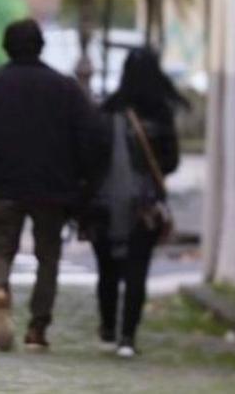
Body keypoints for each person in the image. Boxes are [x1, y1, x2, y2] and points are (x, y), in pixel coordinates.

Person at [0, 19, 105, 353]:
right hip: (53, 189)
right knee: (48, 257)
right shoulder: (65, 89)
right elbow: (90, 141)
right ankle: (38, 327)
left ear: (7, 47)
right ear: (41, 46)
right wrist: (78, 181)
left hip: (4, 186)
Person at [87, 49, 184, 358]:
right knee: (137, 271)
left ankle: (107, 329)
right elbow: (170, 163)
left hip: (102, 204)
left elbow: (91, 161)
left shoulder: (107, 111)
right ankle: (128, 337)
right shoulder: (160, 115)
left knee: (108, 270)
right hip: (146, 206)